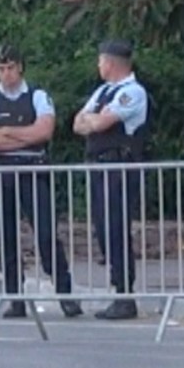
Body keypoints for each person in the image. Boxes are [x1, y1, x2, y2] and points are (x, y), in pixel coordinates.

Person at [0, 45, 81, 320]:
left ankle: (65, 293)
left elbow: (44, 132)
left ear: (20, 67)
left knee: (45, 234)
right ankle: (14, 297)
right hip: (0, 172)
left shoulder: (38, 96)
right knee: (5, 237)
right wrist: (24, 135)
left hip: (33, 169)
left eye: (10, 67)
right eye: (1, 68)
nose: (6, 74)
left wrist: (8, 131)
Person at [72, 37, 150, 320]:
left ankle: (125, 293)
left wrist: (95, 120)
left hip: (119, 167)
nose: (98, 65)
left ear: (111, 63)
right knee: (104, 229)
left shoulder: (133, 92)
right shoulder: (104, 91)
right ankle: (118, 288)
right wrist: (93, 119)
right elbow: (78, 123)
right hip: (100, 166)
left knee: (116, 229)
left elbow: (101, 123)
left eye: (101, 60)